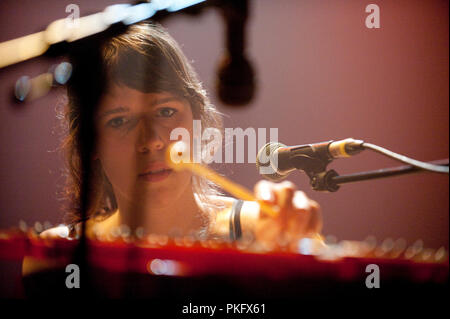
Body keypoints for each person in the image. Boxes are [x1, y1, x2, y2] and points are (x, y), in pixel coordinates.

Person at [23, 23, 322, 277]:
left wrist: (293, 251)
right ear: (91, 143)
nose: (151, 140)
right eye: (119, 120)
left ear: (197, 121)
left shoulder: (266, 232)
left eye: (165, 112)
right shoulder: (55, 259)